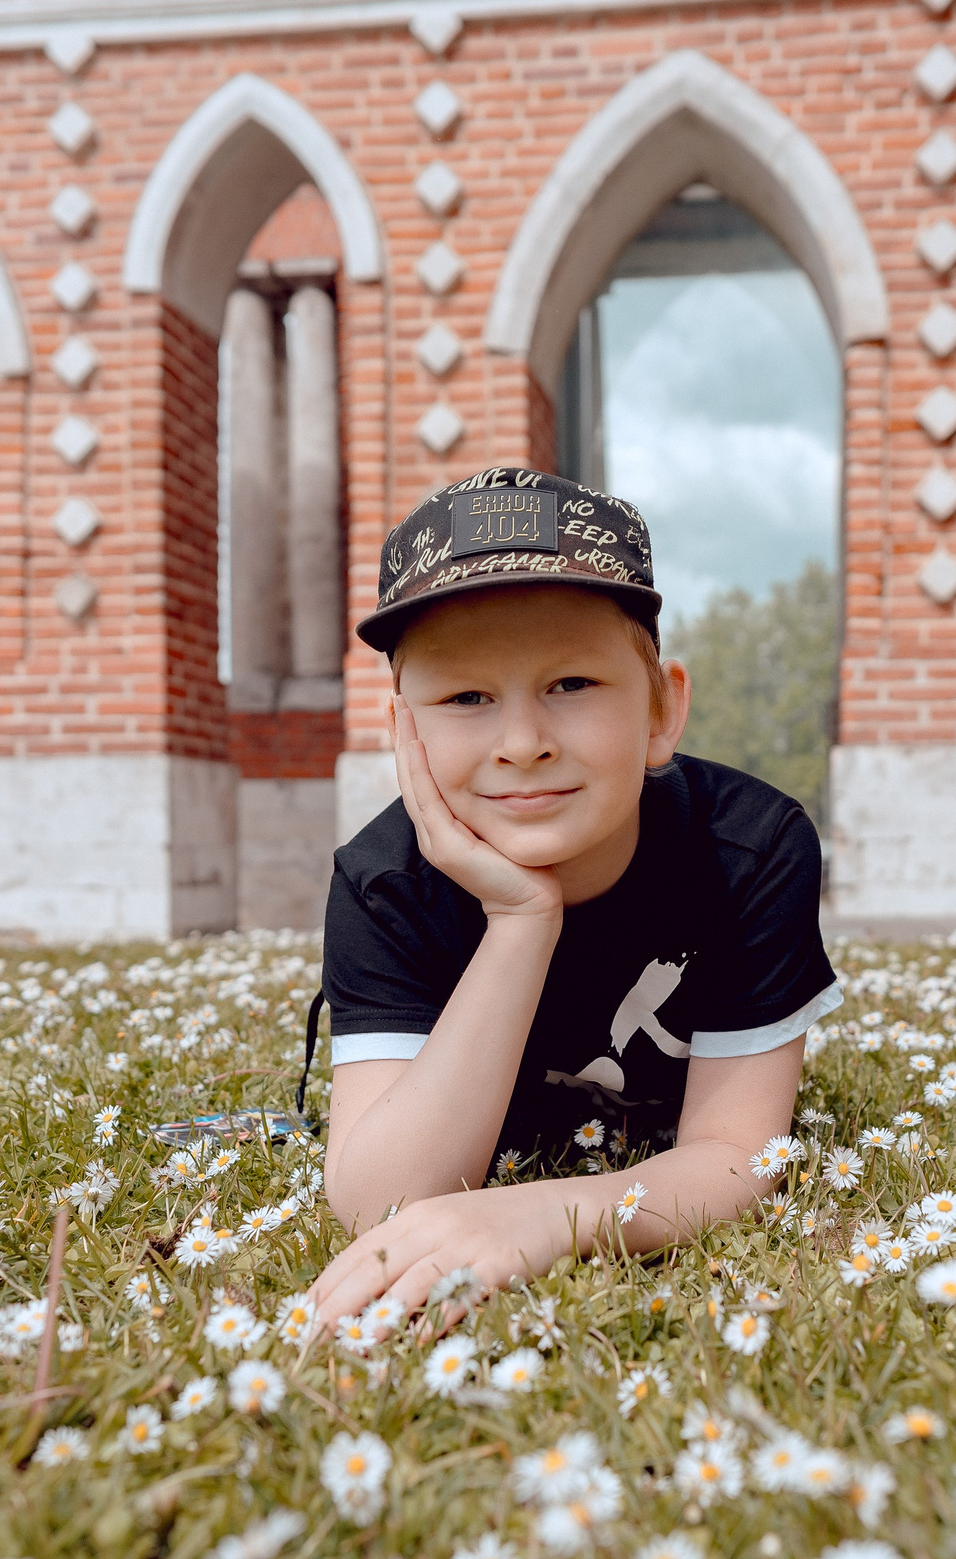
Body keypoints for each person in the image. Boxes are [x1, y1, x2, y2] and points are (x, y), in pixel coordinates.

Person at [304, 466, 839, 1336]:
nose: (522, 744)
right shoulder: (384, 880)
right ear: (402, 729)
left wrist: (549, 1215)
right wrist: (520, 921)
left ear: (662, 708)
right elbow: (379, 1203)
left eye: (572, 686)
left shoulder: (749, 849)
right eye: (466, 697)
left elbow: (739, 1155)